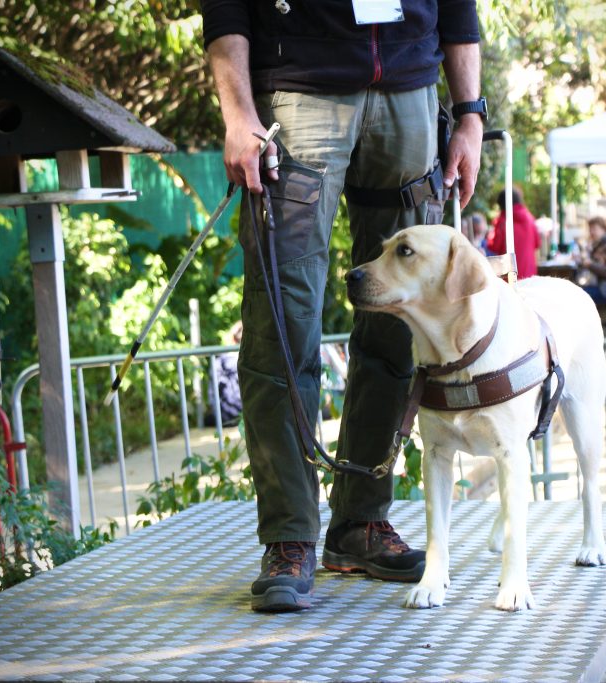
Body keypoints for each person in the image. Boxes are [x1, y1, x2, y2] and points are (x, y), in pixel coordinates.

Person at [202, 1, 484, 613]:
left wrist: (470, 114)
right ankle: (290, 536)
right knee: (283, 327)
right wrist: (237, 112)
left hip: (410, 91)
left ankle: (361, 523)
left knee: (399, 325)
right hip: (300, 90)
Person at [486, 186, 542, 278]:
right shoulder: (530, 218)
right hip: (529, 275)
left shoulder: (502, 221)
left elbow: (494, 246)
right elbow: (537, 244)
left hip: (509, 276)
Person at [576, 216, 606, 307]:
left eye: (594, 229)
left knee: (576, 296)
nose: (591, 232)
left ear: (604, 229)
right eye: (590, 229)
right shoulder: (599, 244)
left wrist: (590, 264)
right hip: (601, 286)